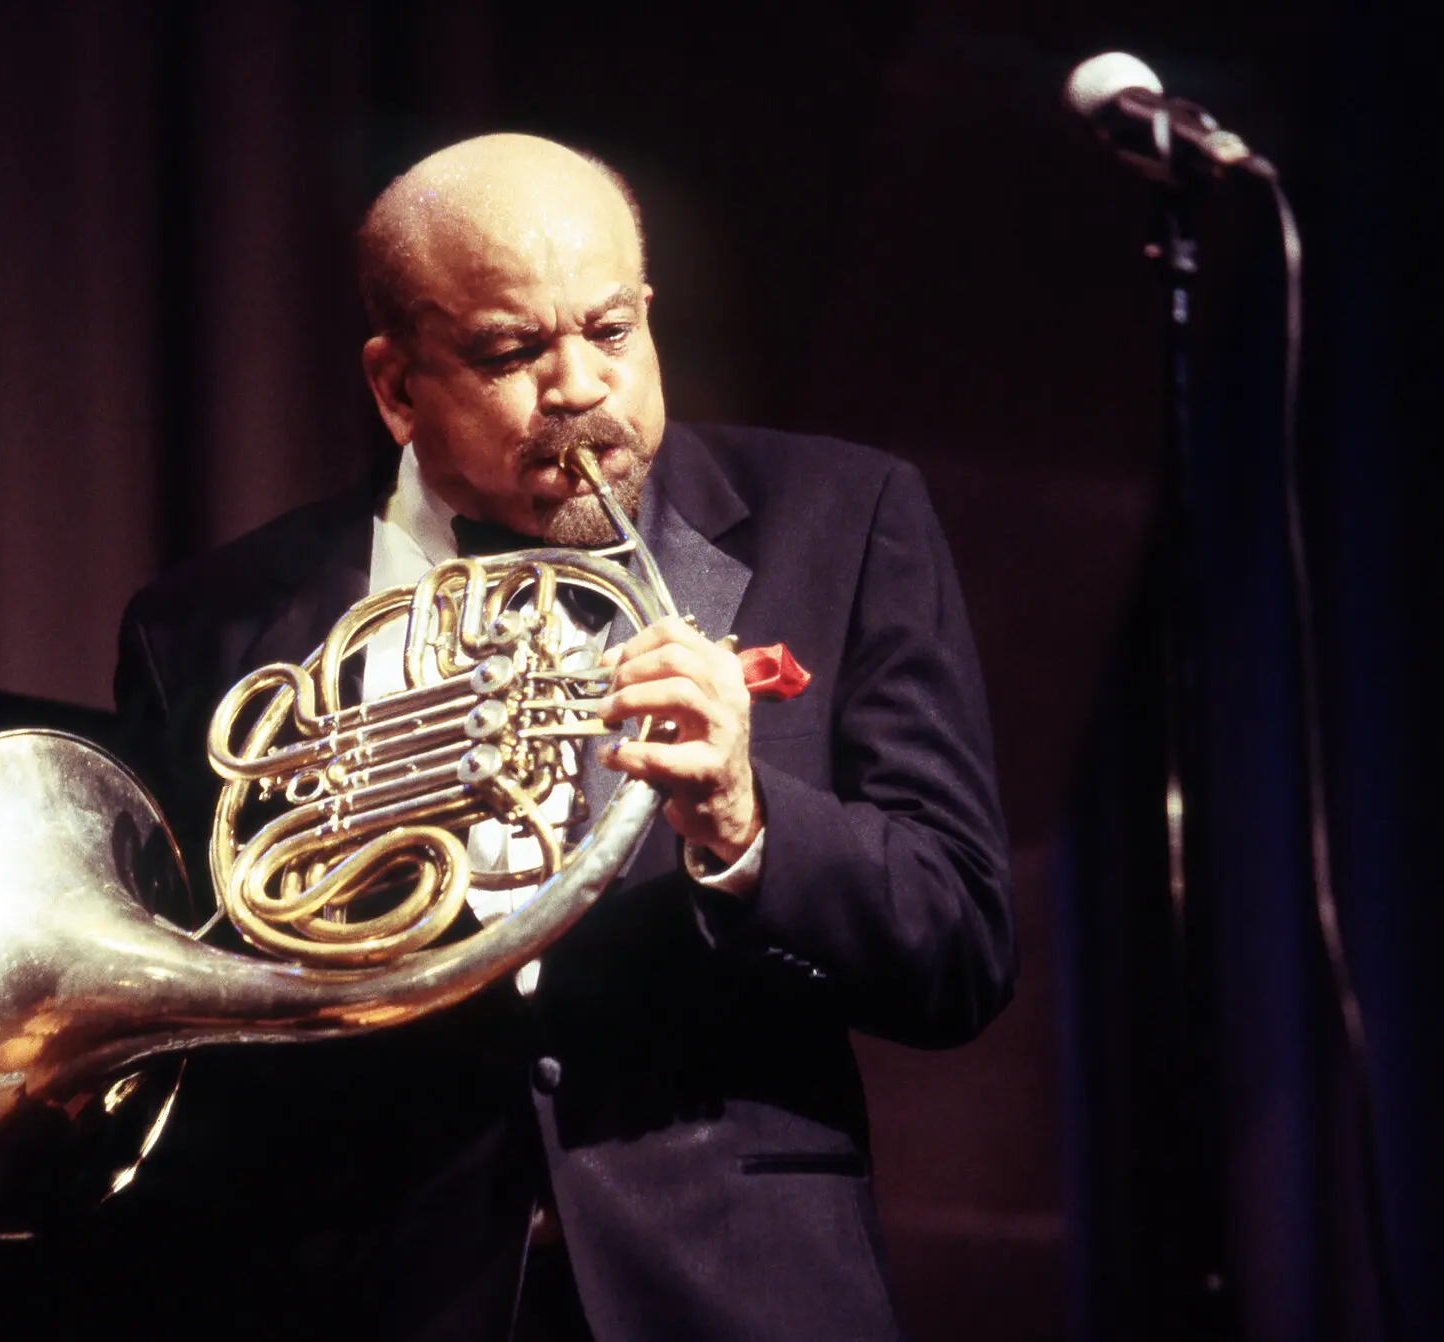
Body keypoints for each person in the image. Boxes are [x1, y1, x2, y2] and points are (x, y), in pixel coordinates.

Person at [112, 133, 1015, 1342]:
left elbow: (957, 947)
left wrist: (749, 826)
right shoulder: (203, 628)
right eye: (510, 352)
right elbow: (195, 1034)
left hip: (736, 1295)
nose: (580, 388)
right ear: (395, 388)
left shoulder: (847, 519)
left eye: (608, 330)